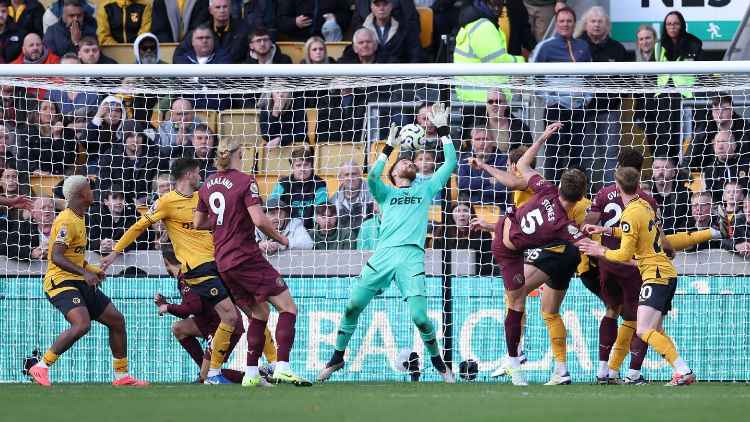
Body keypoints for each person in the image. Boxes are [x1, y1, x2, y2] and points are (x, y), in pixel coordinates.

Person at [317, 103, 457, 383]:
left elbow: (451, 163)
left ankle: (439, 364)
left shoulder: (426, 188)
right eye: (403, 161)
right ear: (393, 173)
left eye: (411, 161)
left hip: (411, 257)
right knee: (352, 307)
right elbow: (370, 177)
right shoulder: (385, 194)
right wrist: (387, 148)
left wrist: (442, 130)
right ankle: (336, 358)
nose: (409, 161)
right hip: (382, 255)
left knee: (420, 318)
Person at [100, 158, 243, 385]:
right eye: (197, 173)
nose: (200, 177)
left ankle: (248, 371)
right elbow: (139, 226)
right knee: (231, 317)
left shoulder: (204, 196)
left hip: (222, 264)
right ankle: (216, 374)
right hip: (198, 269)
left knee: (251, 310)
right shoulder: (166, 202)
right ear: (188, 175)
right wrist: (115, 252)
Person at [471, 123, 588, 386]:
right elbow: (584, 237)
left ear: (560, 185)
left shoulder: (542, 188)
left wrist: (543, 137)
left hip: (537, 251)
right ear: (581, 194)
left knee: (517, 300)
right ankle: (557, 368)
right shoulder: (570, 216)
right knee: (547, 311)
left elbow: (518, 172)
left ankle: (516, 355)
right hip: (565, 253)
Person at [193, 139, 311, 386]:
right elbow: (259, 220)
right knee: (288, 307)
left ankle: (251, 374)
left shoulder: (207, 184)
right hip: (245, 256)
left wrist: (223, 222)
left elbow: (198, 223)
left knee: (260, 314)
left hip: (223, 261)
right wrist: (281, 238)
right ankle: (283, 367)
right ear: (240, 153)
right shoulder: (246, 181)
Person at [579, 167, 697, 386]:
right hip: (665, 272)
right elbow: (632, 231)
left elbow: (624, 254)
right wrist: (603, 230)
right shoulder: (643, 205)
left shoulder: (631, 212)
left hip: (655, 275)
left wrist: (600, 251)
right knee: (656, 329)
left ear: (617, 185)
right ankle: (681, 371)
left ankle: (684, 370)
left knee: (643, 329)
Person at [27, 175, 148, 387]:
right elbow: (56, 256)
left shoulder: (80, 216)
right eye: (89, 189)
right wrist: (85, 274)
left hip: (77, 279)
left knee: (117, 320)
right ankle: (41, 366)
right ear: (81, 195)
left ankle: (122, 377)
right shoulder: (66, 220)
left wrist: (91, 269)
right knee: (82, 324)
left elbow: (74, 256)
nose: (93, 193)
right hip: (60, 282)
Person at [155, 243, 274, 384]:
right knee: (178, 328)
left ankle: (254, 377)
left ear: (166, 261)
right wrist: (167, 304)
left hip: (223, 326)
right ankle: (207, 372)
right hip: (213, 322)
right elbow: (195, 306)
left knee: (208, 376)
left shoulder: (188, 276)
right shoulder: (189, 274)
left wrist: (167, 307)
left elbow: (193, 308)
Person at [530, 6, 591, 183]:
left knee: (577, 156)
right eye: (562, 21)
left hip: (578, 110)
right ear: (556, 24)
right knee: (554, 156)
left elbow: (590, 78)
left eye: (569, 21)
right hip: (555, 109)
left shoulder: (583, 46)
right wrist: (550, 98)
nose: (565, 24)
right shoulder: (545, 47)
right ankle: (552, 195)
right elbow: (534, 77)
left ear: (574, 24)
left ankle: (577, 196)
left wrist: (586, 99)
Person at [575, 6, 627, 190]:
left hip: (609, 110)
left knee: (611, 153)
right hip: (583, 111)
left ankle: (608, 192)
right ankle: (583, 193)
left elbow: (625, 81)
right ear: (586, 24)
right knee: (585, 154)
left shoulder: (618, 49)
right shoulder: (576, 46)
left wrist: (614, 98)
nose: (596, 25)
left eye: (600, 21)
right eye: (593, 21)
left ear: (607, 25)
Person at [653, 10, 702, 161]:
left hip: (685, 98)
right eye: (668, 24)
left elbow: (701, 72)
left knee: (684, 139)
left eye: (675, 23)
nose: (672, 27)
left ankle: (683, 171)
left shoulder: (694, 43)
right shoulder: (659, 45)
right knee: (664, 141)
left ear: (682, 25)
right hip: (663, 98)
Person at [453, 0, 525, 103]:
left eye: (500, 4)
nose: (497, 8)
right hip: (485, 101)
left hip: (478, 99)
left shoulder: (476, 23)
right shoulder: (483, 26)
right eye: (493, 3)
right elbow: (497, 61)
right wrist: (521, 61)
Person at [268, 146, 327, 228]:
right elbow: (271, 206)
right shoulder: (283, 183)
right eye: (298, 165)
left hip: (311, 229)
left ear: (311, 166)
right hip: (286, 229)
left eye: (306, 165)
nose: (302, 169)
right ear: (292, 167)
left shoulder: (320, 184)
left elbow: (321, 209)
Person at [688, 93, 750, 170]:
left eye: (724, 109)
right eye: (716, 109)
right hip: (710, 171)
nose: (720, 113)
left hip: (739, 170)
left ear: (732, 111)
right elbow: (689, 157)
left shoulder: (744, 127)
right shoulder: (705, 128)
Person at [432, 201, 495, 275]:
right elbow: (437, 263)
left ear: (471, 214)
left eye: (465, 211)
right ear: (450, 214)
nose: (461, 214)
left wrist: (467, 270)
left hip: (476, 277)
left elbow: (488, 263)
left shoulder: (484, 235)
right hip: (448, 276)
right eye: (457, 211)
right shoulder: (441, 234)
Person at [175, 0, 248, 63]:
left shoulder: (243, 30)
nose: (222, 10)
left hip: (234, 75)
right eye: (218, 7)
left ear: (230, 9)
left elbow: (250, 57)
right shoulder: (200, 31)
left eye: (225, 7)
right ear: (210, 10)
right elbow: (179, 55)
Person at [353, 0, 423, 63]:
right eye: (377, 5)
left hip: (399, 73)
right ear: (371, 7)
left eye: (385, 4)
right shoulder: (362, 31)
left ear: (391, 6)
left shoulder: (405, 30)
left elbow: (415, 54)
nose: (381, 8)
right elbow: (351, 54)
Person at [97, 132, 159, 204]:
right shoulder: (110, 156)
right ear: (124, 138)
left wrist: (145, 199)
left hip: (147, 205)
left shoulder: (154, 156)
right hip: (118, 205)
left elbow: (160, 187)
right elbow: (103, 185)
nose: (135, 140)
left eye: (139, 136)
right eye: (131, 136)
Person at [89, 186, 152, 254]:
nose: (119, 202)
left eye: (121, 198)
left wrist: (118, 245)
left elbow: (140, 242)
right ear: (106, 202)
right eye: (114, 198)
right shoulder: (95, 216)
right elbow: (90, 240)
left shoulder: (133, 217)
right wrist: (100, 245)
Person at [457, 127, 508, 206]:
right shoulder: (465, 160)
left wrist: (474, 187)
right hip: (472, 209)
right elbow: (462, 184)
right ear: (471, 142)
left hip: (498, 208)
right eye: (477, 139)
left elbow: (500, 189)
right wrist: (489, 181)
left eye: (486, 139)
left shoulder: (504, 160)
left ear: (493, 141)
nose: (481, 143)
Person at [0, 196, 54, 260]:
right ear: (33, 213)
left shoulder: (63, 226)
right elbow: (5, 248)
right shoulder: (25, 228)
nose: (47, 211)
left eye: (50, 207)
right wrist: (31, 252)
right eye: (43, 208)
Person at [703, 130, 750, 203]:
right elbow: (712, 196)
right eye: (717, 143)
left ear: (734, 146)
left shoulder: (746, 164)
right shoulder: (710, 170)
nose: (720, 147)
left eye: (724, 142)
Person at [329, 160, 374, 234]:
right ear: (340, 178)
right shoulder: (333, 201)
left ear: (360, 175)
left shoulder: (373, 194)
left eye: (354, 174)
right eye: (347, 175)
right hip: (345, 242)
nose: (351, 178)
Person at [276, 0, 351, 42]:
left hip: (328, 41)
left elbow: (347, 16)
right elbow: (280, 21)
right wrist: (294, 22)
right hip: (299, 43)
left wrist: (336, 18)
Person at [485, 89, 533, 154]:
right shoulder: (476, 126)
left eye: (498, 101)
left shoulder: (520, 127)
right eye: (490, 102)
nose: (494, 105)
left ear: (505, 104)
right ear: (486, 105)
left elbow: (529, 154)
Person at [651, 158, 689, 234]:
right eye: (657, 168)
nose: (661, 172)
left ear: (674, 172)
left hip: (679, 239)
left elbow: (688, 223)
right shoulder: (646, 195)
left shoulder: (685, 194)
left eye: (665, 168)